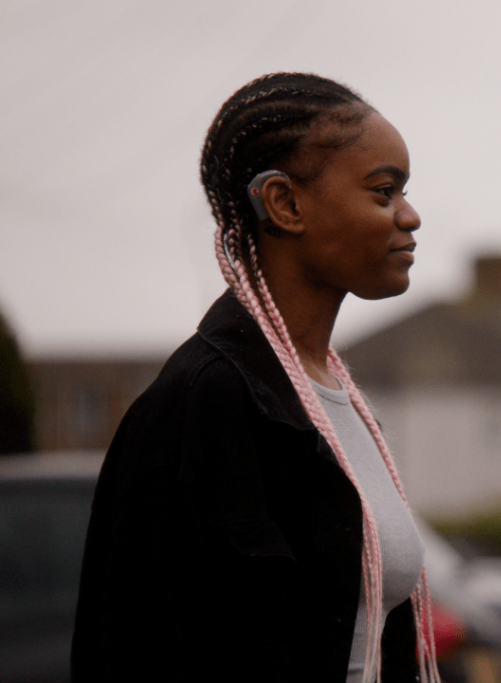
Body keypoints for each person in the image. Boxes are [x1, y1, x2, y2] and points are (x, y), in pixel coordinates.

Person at [71, 73, 440, 683]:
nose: (410, 215)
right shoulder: (202, 402)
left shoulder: (332, 395)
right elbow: (144, 644)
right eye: (383, 191)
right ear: (285, 205)